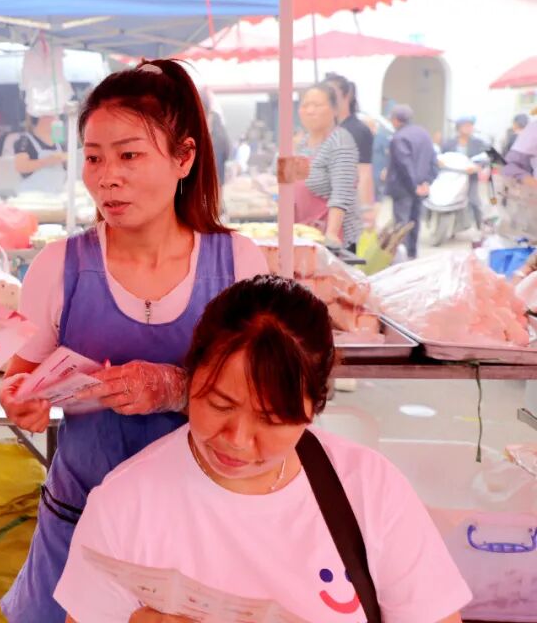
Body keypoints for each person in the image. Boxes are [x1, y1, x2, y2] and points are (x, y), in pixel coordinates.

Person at [0, 59, 269, 623]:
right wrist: (20, 399)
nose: (106, 178)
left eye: (129, 156)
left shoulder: (239, 264)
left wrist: (175, 388)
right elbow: (20, 377)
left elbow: (269, 399)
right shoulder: (58, 267)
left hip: (201, 531)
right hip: (78, 526)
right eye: (94, 157)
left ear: (184, 158)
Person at [55, 275, 471, 623]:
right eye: (220, 404)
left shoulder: (368, 488)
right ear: (191, 376)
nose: (237, 438)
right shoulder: (126, 503)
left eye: (271, 420)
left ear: (313, 408)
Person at [294, 84, 361, 250]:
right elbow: (290, 185)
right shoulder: (301, 144)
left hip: (332, 238)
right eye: (305, 105)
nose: (310, 111)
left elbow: (342, 193)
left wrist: (331, 234)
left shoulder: (340, 141)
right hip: (304, 233)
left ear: (334, 110)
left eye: (317, 105)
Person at [386, 104, 437, 259]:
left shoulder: (399, 138)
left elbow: (405, 165)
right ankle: (413, 255)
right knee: (415, 222)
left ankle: (402, 258)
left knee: (402, 224)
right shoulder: (424, 134)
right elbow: (433, 160)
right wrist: (427, 182)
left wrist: (414, 185)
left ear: (396, 120)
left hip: (403, 188)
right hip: (420, 187)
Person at [325, 73, 375, 225]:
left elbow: (364, 172)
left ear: (347, 95)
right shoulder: (328, 129)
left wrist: (366, 209)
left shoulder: (357, 130)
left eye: (332, 92)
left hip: (348, 210)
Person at [443, 115, 489, 231]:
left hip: (470, 177)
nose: (469, 128)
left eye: (470, 126)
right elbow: (442, 156)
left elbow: (488, 157)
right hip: (452, 177)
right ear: (459, 128)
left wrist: (478, 167)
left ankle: (480, 225)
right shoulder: (449, 143)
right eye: (466, 126)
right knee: (447, 200)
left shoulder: (478, 143)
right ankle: (450, 227)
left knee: (474, 200)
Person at [14, 113, 69, 193]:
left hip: (57, 194)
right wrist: (47, 161)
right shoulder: (25, 140)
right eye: (53, 116)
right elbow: (21, 167)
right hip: (33, 195)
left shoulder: (59, 143)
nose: (57, 120)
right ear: (41, 118)